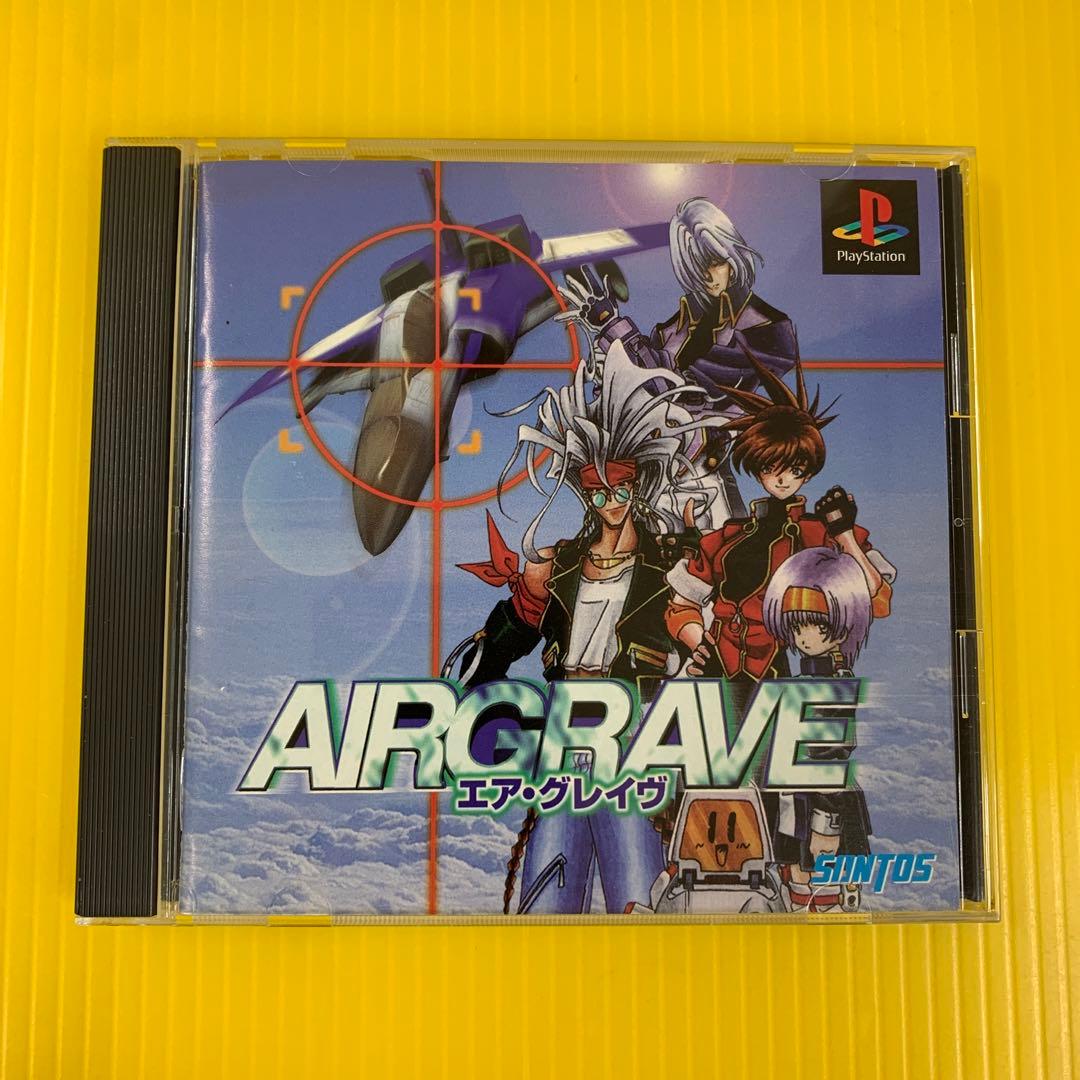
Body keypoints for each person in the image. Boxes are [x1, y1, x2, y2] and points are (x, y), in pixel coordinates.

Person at [450, 342, 723, 914]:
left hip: (631, 724)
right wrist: (479, 688)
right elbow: (512, 633)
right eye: (598, 491)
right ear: (584, 491)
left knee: (638, 890)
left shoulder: (665, 564)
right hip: (564, 724)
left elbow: (695, 613)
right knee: (548, 889)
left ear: (638, 484)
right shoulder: (561, 564)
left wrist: (699, 646)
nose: (611, 501)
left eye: (621, 488)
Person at [556, 197, 799, 524]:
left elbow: (681, 391)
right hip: (657, 475)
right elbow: (636, 388)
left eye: (715, 262)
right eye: (698, 266)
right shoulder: (675, 329)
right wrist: (609, 347)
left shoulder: (766, 329)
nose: (709, 276)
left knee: (722, 547)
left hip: (706, 472)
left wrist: (615, 330)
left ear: (733, 256)